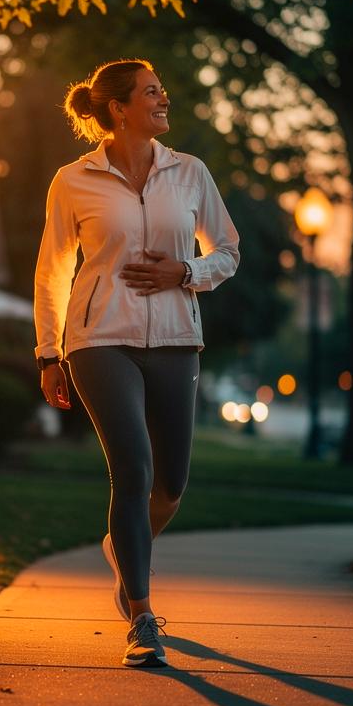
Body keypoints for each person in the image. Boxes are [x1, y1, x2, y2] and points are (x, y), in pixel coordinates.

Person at [33, 59, 240, 668]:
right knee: (134, 467)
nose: (164, 97)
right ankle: (143, 616)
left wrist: (187, 272)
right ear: (118, 108)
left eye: (161, 88)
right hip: (100, 339)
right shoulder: (74, 181)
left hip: (177, 338)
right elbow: (52, 270)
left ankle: (125, 550)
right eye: (152, 91)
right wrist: (49, 351)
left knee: (170, 486)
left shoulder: (189, 173)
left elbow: (227, 251)